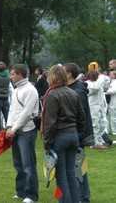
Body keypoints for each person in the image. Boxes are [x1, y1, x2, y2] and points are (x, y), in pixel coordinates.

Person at [42, 65, 85, 203]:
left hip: (60, 136)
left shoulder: (52, 94)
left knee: (61, 176)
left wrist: (47, 144)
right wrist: (76, 131)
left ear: (52, 76)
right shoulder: (73, 92)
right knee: (71, 173)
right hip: (73, 135)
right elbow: (82, 118)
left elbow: (50, 122)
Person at [5, 64, 39, 203]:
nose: (10, 77)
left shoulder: (30, 90)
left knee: (28, 164)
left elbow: (26, 113)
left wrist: (13, 128)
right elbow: (12, 110)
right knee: (18, 164)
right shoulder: (17, 89)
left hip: (26, 131)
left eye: (12, 74)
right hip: (16, 131)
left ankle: (31, 195)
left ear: (19, 74)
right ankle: (21, 191)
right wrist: (8, 126)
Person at [64, 63, 94, 203]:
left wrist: (77, 134)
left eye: (63, 71)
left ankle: (83, 197)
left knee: (79, 168)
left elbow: (80, 116)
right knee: (74, 168)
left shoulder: (78, 91)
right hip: (73, 133)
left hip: (77, 135)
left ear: (69, 74)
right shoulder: (71, 88)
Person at [105, 71, 116, 135]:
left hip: (113, 101)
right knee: (107, 116)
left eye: (113, 74)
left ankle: (114, 131)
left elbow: (113, 91)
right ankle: (108, 130)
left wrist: (105, 91)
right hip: (108, 101)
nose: (111, 75)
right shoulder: (109, 81)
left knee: (113, 116)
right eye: (110, 74)